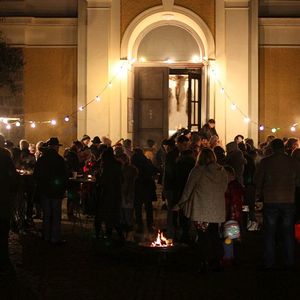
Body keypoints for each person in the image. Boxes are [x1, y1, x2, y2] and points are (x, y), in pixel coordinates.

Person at [174, 148, 228, 272]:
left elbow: (188, 189)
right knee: (214, 234)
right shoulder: (222, 171)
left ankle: (204, 260)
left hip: (201, 209)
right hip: (216, 209)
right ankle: (216, 260)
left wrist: (180, 203)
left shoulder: (197, 171)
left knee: (203, 236)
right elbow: (224, 188)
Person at [255, 138, 300, 270]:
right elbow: (298, 181)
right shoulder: (293, 162)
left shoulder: (266, 162)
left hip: (271, 199)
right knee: (288, 232)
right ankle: (289, 261)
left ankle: (269, 261)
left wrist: (259, 194)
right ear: (283, 148)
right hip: (288, 199)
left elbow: (258, 180)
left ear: (273, 148)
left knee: (269, 232)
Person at [34, 137, 67, 244]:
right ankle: (55, 237)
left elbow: (36, 175)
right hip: (56, 191)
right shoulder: (59, 159)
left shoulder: (42, 159)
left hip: (45, 190)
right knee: (56, 214)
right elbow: (64, 176)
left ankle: (46, 235)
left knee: (46, 214)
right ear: (56, 147)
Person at [94, 147, 124, 241]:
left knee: (101, 215)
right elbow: (121, 180)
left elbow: (103, 181)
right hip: (116, 194)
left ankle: (99, 234)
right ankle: (117, 235)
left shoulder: (106, 167)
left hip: (106, 194)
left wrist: (97, 176)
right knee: (114, 216)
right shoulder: (118, 166)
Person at [0, 147, 17, 269]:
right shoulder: (5, 157)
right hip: (3, 198)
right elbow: (13, 179)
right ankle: (4, 259)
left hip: (4, 197)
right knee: (3, 230)